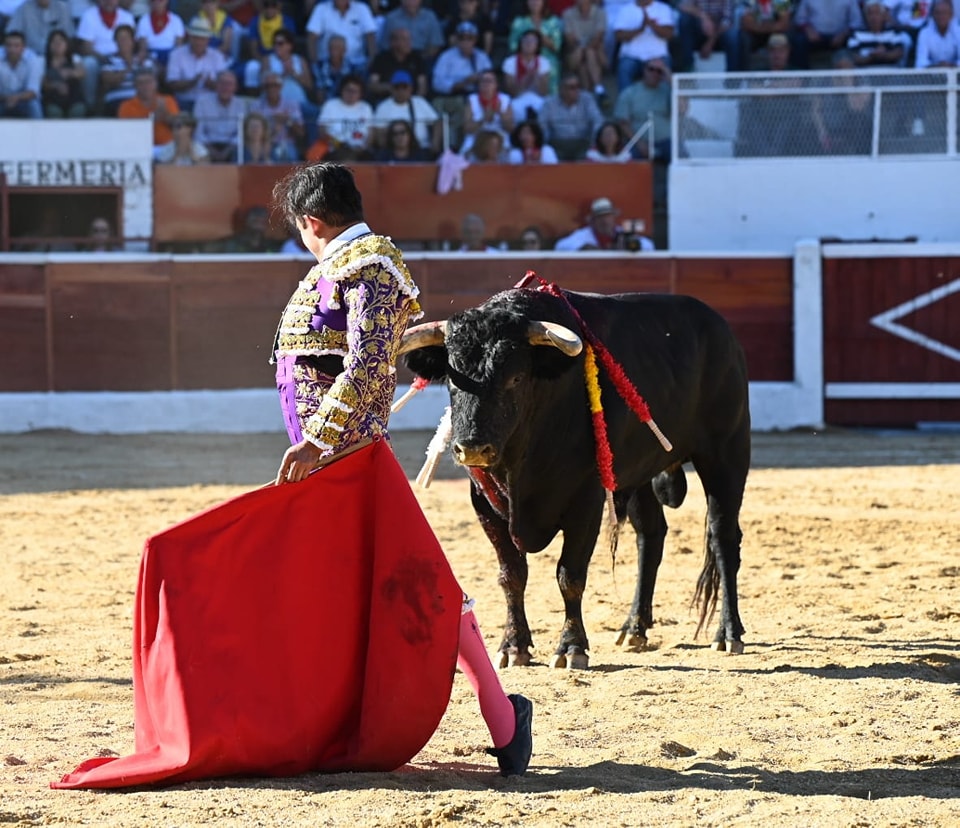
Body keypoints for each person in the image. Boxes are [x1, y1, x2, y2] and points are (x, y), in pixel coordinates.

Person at [270, 164, 532, 775]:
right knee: (376, 586)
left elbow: (365, 372)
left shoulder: (371, 269)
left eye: (301, 230)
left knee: (416, 583)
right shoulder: (341, 268)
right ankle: (501, 718)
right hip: (329, 461)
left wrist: (316, 443)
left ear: (312, 222)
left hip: (348, 460)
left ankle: (502, 716)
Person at [76, 0, 136, 110]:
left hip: (122, 57)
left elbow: (131, 42)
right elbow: (86, 46)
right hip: (98, 58)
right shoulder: (89, 15)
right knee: (89, 64)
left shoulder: (127, 17)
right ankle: (90, 105)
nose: (109, 1)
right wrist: (105, 59)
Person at [165, 15, 229, 111]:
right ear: (190, 37)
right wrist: (192, 82)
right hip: (184, 102)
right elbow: (172, 84)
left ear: (208, 40)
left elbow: (225, 85)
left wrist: (211, 84)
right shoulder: (176, 55)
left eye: (202, 38)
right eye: (196, 38)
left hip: (211, 103)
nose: (198, 42)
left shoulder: (217, 57)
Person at [612, 55, 671, 160]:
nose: (654, 73)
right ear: (644, 70)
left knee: (683, 158)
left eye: (659, 71)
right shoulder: (629, 93)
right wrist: (639, 143)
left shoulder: (669, 91)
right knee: (624, 159)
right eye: (651, 69)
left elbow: (683, 108)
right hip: (638, 141)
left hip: (666, 141)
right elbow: (622, 123)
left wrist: (670, 80)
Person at [537, 72, 605, 160]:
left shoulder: (587, 99)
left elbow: (598, 120)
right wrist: (545, 143)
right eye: (572, 87)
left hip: (583, 143)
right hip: (557, 144)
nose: (576, 90)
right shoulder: (549, 103)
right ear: (561, 89)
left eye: (578, 86)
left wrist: (594, 141)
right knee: (548, 154)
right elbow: (542, 125)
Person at [305, 0, 378, 81]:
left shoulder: (362, 8)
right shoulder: (321, 8)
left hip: (356, 64)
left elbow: (370, 36)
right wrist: (315, 64)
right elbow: (312, 37)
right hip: (327, 65)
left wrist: (372, 60)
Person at [372, 68, 440, 154]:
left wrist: (435, 143)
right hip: (393, 151)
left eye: (404, 87)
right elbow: (379, 132)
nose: (401, 91)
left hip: (421, 148)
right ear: (391, 89)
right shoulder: (383, 107)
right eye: (397, 87)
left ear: (411, 88)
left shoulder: (420, 102)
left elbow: (437, 122)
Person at [613, 0, 674, 92]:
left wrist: (652, 25)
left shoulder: (663, 9)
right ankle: (626, 103)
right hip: (631, 56)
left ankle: (663, 103)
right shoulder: (625, 10)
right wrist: (640, 29)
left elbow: (668, 34)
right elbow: (619, 36)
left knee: (665, 71)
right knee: (624, 69)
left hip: (657, 56)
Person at [554, 195, 654, 250]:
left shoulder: (622, 232)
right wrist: (583, 248)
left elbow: (649, 246)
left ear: (614, 217)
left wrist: (629, 246)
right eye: (600, 217)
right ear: (593, 221)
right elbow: (560, 246)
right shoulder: (584, 235)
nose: (605, 220)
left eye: (608, 215)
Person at [117, 66, 180, 150]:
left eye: (148, 82)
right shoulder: (126, 106)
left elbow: (179, 125)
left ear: (156, 84)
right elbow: (126, 131)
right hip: (138, 148)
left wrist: (165, 116)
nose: (145, 86)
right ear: (135, 85)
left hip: (167, 148)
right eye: (141, 83)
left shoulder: (167, 100)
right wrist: (151, 119)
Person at [316, 72, 375, 161]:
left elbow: (371, 133)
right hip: (336, 150)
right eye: (348, 90)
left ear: (360, 93)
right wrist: (338, 145)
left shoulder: (366, 107)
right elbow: (322, 131)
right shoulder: (331, 105)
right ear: (342, 90)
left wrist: (363, 148)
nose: (351, 94)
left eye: (355, 91)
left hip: (360, 151)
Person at [249, 69, 304, 161]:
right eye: (268, 86)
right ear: (263, 88)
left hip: (285, 143)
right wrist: (271, 131)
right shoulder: (256, 106)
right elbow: (250, 132)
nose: (271, 89)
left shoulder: (291, 105)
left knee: (288, 155)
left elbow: (301, 132)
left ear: (280, 86)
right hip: (262, 144)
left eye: (275, 85)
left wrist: (287, 120)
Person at [508, 0, 562, 93]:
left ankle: (550, 98)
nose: (535, 2)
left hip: (547, 55)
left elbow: (557, 46)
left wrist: (540, 37)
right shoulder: (519, 21)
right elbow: (512, 45)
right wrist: (527, 45)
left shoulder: (553, 21)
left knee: (551, 66)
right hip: (524, 56)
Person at [790, 0, 864, 69]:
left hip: (841, 37)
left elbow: (856, 21)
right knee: (798, 41)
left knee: (856, 40)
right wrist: (808, 30)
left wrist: (843, 34)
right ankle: (802, 76)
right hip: (815, 36)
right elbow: (799, 19)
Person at [100, 23, 152, 116]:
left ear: (133, 40)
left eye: (126, 38)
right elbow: (108, 80)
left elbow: (150, 81)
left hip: (140, 99)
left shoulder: (144, 60)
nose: (123, 42)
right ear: (115, 42)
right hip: (116, 100)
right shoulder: (108, 60)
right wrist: (129, 67)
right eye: (120, 39)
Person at [367, 26, 429, 103]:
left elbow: (422, 87)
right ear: (393, 42)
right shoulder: (381, 59)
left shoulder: (417, 58)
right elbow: (373, 85)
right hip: (386, 100)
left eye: (409, 39)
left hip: (412, 100)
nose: (409, 43)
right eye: (404, 40)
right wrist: (393, 88)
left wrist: (413, 100)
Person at [459, 67, 514, 155]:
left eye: (489, 81)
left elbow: (510, 128)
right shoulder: (472, 100)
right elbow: (467, 129)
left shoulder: (505, 100)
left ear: (496, 84)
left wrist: (500, 112)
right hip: (476, 136)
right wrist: (483, 119)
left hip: (500, 136)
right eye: (483, 81)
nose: (486, 84)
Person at [501, 27, 551, 122]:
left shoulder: (544, 62)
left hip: (537, 98)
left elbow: (544, 92)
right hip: (518, 98)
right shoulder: (510, 62)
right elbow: (511, 92)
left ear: (537, 45)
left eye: (532, 41)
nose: (528, 43)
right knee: (515, 109)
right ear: (520, 43)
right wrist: (526, 79)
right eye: (526, 40)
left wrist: (536, 78)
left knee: (545, 108)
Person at [675, 0, 741, 72]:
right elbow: (682, 5)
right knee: (684, 19)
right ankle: (688, 66)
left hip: (718, 35)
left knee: (733, 34)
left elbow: (727, 22)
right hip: (699, 32)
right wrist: (704, 17)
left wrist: (710, 41)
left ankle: (732, 76)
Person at [562, 0, 608, 101]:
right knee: (586, 55)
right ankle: (599, 89)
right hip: (576, 53)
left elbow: (598, 37)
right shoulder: (568, 14)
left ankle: (587, 95)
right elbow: (570, 40)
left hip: (596, 53)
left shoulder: (600, 13)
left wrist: (584, 47)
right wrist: (584, 47)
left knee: (588, 56)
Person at [846, 0, 911, 67]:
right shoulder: (856, 34)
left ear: (883, 16)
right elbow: (853, 56)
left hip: (890, 73)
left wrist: (884, 55)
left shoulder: (893, 32)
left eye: (877, 13)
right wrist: (871, 57)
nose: (873, 17)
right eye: (870, 14)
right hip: (865, 74)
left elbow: (899, 53)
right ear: (865, 17)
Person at [377, 0, 444, 64]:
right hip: (396, 58)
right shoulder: (392, 18)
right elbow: (385, 45)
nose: (411, 1)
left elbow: (436, 45)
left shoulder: (430, 17)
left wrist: (421, 58)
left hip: (422, 57)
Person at [41, 27, 86, 117]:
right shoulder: (42, 61)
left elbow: (82, 73)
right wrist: (55, 86)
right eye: (54, 41)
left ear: (67, 44)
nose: (58, 44)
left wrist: (69, 73)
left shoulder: (74, 58)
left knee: (78, 110)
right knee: (54, 112)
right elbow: (42, 83)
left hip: (73, 98)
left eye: (61, 41)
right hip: (52, 99)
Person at [134, 0, 185, 78]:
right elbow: (143, 49)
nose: (158, 2)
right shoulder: (144, 20)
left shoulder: (176, 20)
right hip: (151, 56)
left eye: (161, 0)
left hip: (171, 56)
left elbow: (179, 47)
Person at [738, 0, 792, 70]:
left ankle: (790, 73)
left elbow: (784, 23)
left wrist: (765, 27)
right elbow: (746, 23)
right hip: (755, 34)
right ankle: (744, 75)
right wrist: (765, 28)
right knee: (743, 38)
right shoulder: (750, 1)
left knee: (789, 37)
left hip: (776, 32)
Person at [8, 0, 74, 57]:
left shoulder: (62, 8)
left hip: (58, 55)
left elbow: (69, 36)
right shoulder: (24, 8)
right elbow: (12, 34)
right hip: (32, 56)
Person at [0, 28, 42, 118]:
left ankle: (39, 131)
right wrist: (7, 98)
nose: (12, 49)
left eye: (16, 46)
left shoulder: (32, 60)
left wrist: (16, 98)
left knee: (33, 105)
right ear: (4, 46)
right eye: (9, 45)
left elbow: (33, 91)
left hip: (24, 100)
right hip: (2, 99)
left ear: (23, 48)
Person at [914, 0, 960, 66]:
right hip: (932, 74)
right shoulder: (924, 33)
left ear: (951, 15)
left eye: (944, 13)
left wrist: (949, 66)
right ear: (932, 15)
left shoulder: (958, 31)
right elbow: (920, 63)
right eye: (937, 13)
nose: (941, 16)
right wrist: (938, 66)